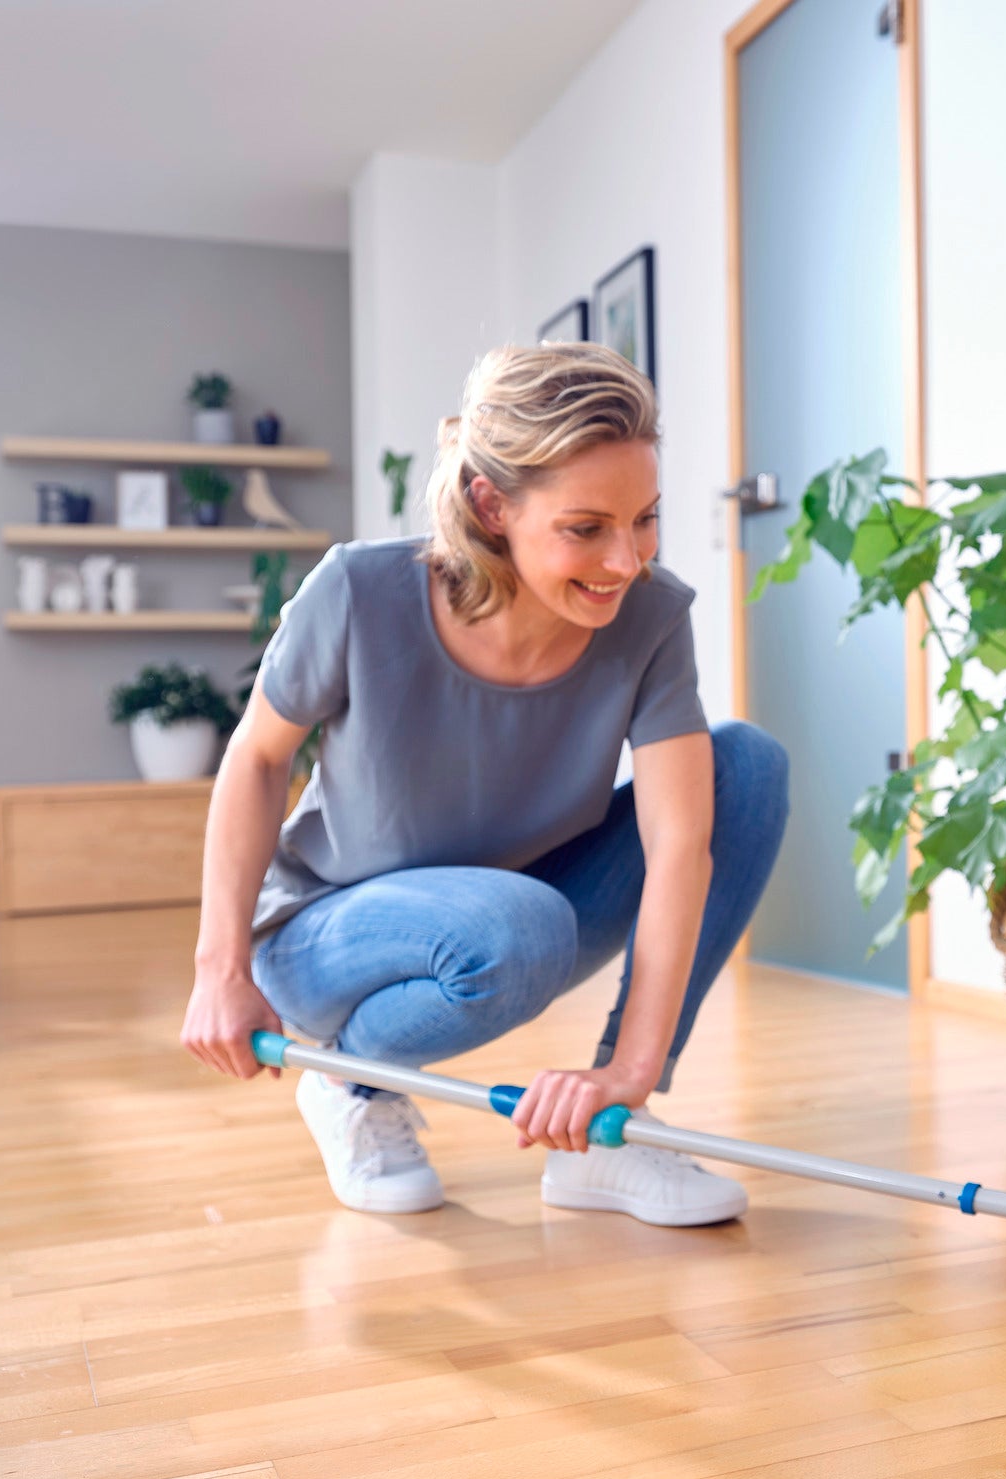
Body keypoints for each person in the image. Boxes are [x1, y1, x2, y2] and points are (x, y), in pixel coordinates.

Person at [180, 343, 788, 1226]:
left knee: (748, 767)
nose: (625, 560)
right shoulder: (358, 591)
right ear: (490, 503)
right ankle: (350, 1089)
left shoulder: (650, 619)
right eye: (586, 528)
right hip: (330, 936)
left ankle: (609, 1133)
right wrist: (218, 969)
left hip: (521, 913)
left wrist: (627, 1070)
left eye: (645, 518)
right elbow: (257, 757)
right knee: (516, 925)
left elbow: (679, 845)